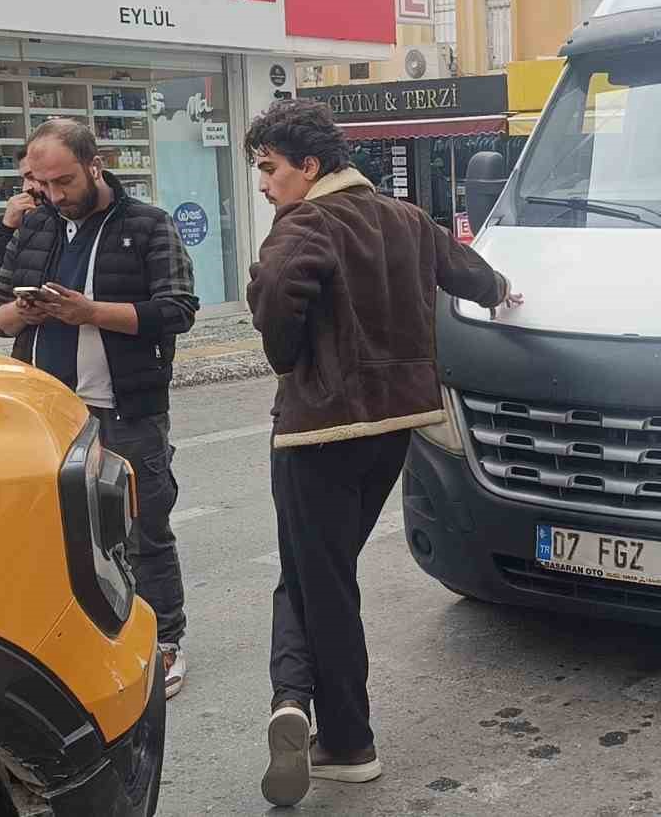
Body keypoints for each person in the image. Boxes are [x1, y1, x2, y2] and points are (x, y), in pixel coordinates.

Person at [246, 99, 521, 807]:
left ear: (309, 166)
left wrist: (287, 358)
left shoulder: (306, 223)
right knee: (316, 571)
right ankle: (295, 700)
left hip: (319, 429)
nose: (264, 184)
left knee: (318, 577)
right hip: (396, 427)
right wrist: (505, 294)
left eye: (270, 168)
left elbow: (278, 292)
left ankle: (345, 739)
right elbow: (468, 272)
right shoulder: (403, 218)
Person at [0, 118, 198, 698]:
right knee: (57, 534)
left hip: (126, 410)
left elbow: (177, 309)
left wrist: (92, 313)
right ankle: (79, 641)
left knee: (143, 529)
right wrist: (21, 314)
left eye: (64, 181)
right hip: (49, 414)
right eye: (41, 184)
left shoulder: (148, 225)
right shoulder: (37, 227)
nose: (53, 195)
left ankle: (166, 640)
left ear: (95, 165)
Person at [0, 146, 53, 277]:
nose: (25, 188)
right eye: (24, 179)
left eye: (32, 177)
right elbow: (3, 282)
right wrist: (6, 229)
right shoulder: (32, 224)